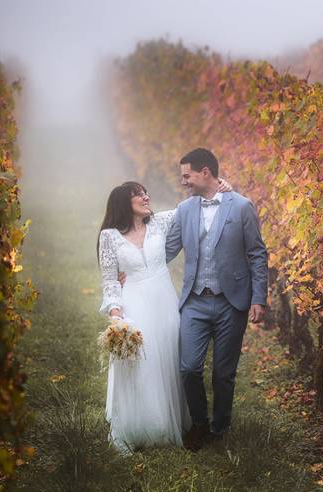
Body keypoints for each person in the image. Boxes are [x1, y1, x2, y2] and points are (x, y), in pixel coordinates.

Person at [97, 178, 233, 453]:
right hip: (134, 303)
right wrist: (116, 315)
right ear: (125, 203)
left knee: (171, 359)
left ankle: (178, 421)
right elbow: (110, 281)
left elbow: (195, 205)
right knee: (140, 363)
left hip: (165, 302)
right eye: (139, 195)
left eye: (146, 193)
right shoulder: (109, 237)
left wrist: (220, 186)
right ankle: (145, 424)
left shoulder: (161, 222)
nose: (146, 197)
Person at [165, 148, 268, 451]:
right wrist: (129, 262)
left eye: (187, 175)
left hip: (230, 303)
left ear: (205, 172)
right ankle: (198, 423)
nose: (183, 181)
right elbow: (167, 250)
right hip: (195, 302)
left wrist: (258, 299)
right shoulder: (184, 210)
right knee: (189, 368)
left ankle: (220, 428)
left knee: (224, 373)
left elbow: (257, 254)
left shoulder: (241, 207)